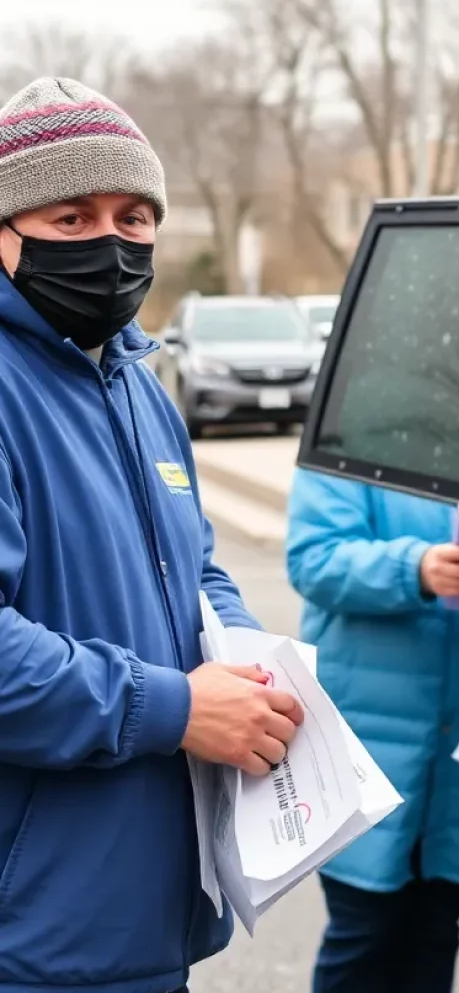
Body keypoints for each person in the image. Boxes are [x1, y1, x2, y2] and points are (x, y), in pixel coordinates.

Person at [0, 78, 304, 993]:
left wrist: (250, 662)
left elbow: (192, 564)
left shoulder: (138, 384)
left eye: (136, 217)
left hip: (150, 913)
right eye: (70, 218)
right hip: (34, 934)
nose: (111, 242)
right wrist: (173, 708)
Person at [286, 470, 459, 993]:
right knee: (363, 932)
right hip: (369, 742)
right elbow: (314, 560)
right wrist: (416, 568)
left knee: (438, 928)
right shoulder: (354, 438)